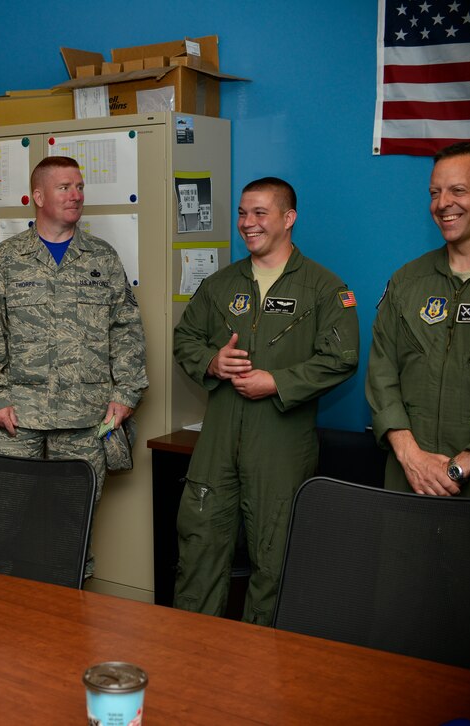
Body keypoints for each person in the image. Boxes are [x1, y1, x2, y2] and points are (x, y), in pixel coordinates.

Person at [172, 177, 358, 626]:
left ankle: (264, 670)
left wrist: (276, 382)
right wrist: (213, 362)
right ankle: (189, 657)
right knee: (199, 550)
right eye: (242, 213)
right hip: (218, 443)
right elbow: (185, 338)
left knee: (273, 561)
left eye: (260, 213)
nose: (247, 223)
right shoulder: (220, 285)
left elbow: (342, 357)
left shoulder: (323, 288)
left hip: (281, 444)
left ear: (288, 219)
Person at [0, 156, 148, 577]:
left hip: (86, 418)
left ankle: (68, 615)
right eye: (64, 187)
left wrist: (126, 393)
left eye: (79, 186)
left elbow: (127, 329)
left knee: (73, 523)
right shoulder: (7, 260)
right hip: (16, 418)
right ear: (39, 197)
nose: (76, 195)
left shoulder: (102, 258)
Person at [366, 142, 470, 497]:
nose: (443, 204)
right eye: (435, 193)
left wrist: (462, 465)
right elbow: (382, 374)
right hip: (407, 482)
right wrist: (411, 457)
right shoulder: (407, 282)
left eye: (458, 190)